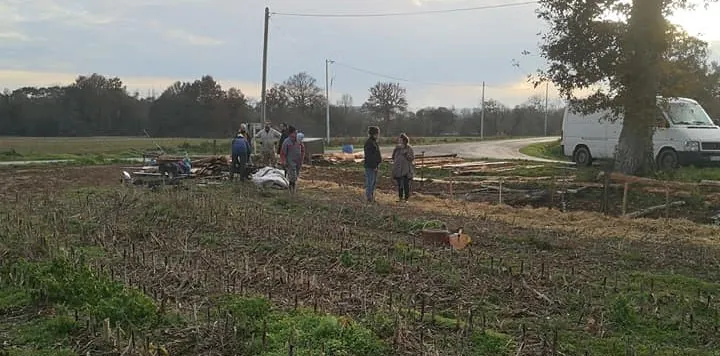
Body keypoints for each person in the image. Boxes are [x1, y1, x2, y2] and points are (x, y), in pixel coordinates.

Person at [279, 126, 304, 193]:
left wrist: (302, 159)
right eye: (294, 133)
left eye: (296, 133)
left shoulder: (298, 141)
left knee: (296, 176)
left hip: (298, 162)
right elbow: (283, 153)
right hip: (290, 161)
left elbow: (302, 150)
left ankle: (293, 187)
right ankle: (291, 189)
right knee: (292, 176)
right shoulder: (286, 142)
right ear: (290, 134)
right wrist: (283, 161)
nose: (296, 134)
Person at [391, 133, 415, 202]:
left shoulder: (409, 148)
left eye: (401, 140)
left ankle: (406, 199)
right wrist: (395, 150)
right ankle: (400, 198)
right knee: (400, 185)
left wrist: (406, 155)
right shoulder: (397, 148)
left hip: (406, 170)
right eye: (399, 140)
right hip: (398, 169)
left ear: (405, 140)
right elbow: (393, 157)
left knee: (406, 185)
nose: (400, 141)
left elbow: (412, 158)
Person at [363, 126, 382, 203]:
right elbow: (370, 156)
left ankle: (371, 196)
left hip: (374, 165)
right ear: (374, 134)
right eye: (377, 134)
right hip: (370, 166)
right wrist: (374, 166)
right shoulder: (369, 143)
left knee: (373, 182)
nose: (378, 135)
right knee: (370, 182)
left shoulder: (374, 142)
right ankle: (369, 198)